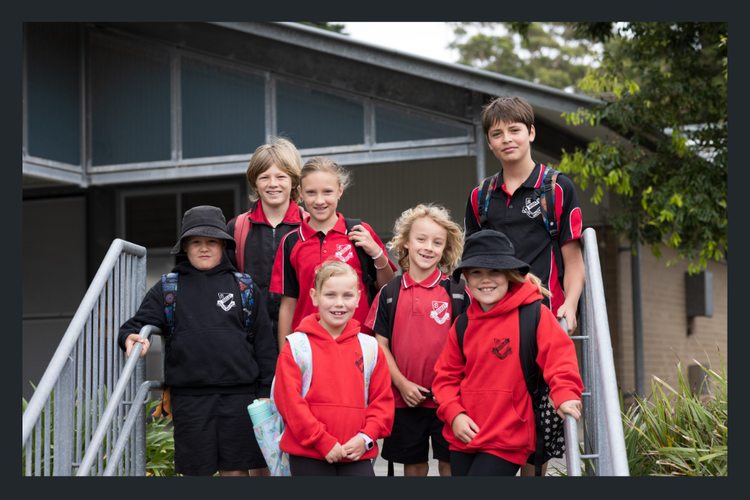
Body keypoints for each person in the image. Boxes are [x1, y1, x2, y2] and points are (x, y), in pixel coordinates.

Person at [118, 205, 277, 477]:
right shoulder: (169, 286)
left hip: (240, 396)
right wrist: (129, 336)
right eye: (196, 242)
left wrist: (265, 391)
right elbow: (136, 323)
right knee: (195, 471)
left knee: (236, 471)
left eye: (211, 242)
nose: (204, 248)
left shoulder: (244, 287)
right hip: (189, 398)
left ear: (223, 245)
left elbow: (264, 344)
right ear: (185, 247)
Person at [432, 230, 583, 477]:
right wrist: (454, 414)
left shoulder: (533, 314)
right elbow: (445, 378)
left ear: (509, 275)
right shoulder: (461, 325)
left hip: (507, 437)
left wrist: (565, 393)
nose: (485, 280)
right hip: (464, 435)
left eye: (495, 271)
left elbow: (560, 359)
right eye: (477, 272)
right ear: (466, 278)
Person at [464, 96, 585, 334]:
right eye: (496, 134)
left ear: (531, 133)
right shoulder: (480, 197)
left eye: (514, 130)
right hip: (494, 321)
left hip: (546, 315)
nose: (506, 139)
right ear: (489, 142)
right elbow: (473, 267)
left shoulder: (557, 188)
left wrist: (570, 306)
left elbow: (574, 262)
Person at [364, 203, 469, 477]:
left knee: (450, 464)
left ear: (445, 249)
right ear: (406, 242)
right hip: (405, 399)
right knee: (414, 466)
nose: (428, 247)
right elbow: (380, 346)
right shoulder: (390, 292)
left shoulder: (457, 291)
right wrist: (401, 383)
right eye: (421, 239)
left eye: (437, 242)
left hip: (451, 399)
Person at [273, 260, 395, 476]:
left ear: (358, 298)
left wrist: (365, 438)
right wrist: (322, 441)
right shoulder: (296, 347)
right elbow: (290, 404)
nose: (339, 303)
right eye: (330, 295)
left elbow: (382, 402)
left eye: (347, 296)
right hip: (309, 454)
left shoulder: (370, 348)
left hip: (356, 453)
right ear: (314, 296)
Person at [270, 156, 396, 352]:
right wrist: (285, 354)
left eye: (327, 191)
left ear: (340, 191)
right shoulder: (291, 242)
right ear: (301, 193)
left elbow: (387, 288)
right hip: (308, 348)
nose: (319, 200)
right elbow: (288, 305)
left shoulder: (360, 232)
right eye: (311, 192)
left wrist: (378, 254)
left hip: (358, 344)